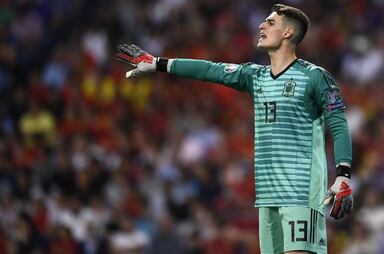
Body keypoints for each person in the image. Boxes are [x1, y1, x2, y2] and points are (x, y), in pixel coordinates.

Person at [115, 3, 353, 254]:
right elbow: (211, 69)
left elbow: (338, 123)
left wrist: (343, 175)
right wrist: (157, 63)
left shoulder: (315, 77)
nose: (262, 25)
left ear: (288, 33)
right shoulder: (255, 75)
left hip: (301, 189)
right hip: (267, 193)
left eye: (271, 23)